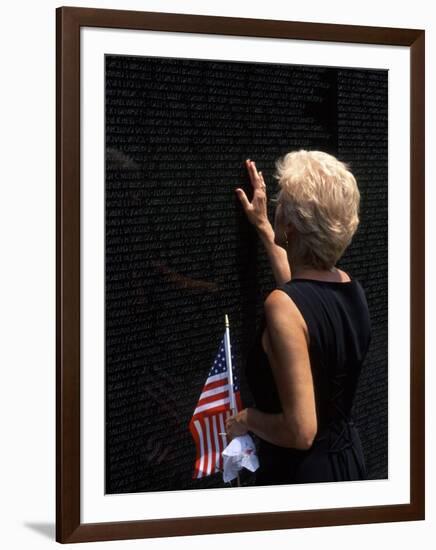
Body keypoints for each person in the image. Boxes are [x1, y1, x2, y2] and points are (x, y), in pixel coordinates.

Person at [225, 150, 372, 484]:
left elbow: (301, 431)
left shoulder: (282, 305)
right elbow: (300, 296)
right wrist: (264, 226)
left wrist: (246, 419)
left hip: (302, 478)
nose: (276, 205)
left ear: (291, 225)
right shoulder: (352, 290)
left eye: (281, 203)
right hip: (348, 463)